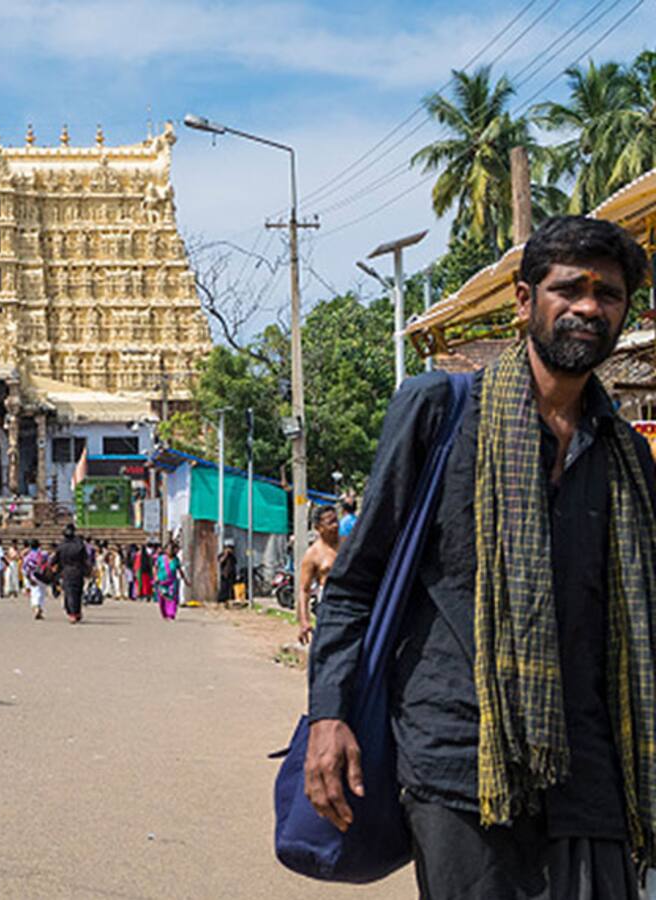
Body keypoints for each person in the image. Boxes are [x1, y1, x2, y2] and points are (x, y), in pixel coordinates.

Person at [306, 217, 656, 898]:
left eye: (608, 294)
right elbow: (356, 584)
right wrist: (329, 715)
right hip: (461, 762)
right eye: (569, 289)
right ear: (525, 301)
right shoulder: (439, 412)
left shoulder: (627, 457)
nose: (588, 307)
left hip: (593, 770)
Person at [296, 506, 339, 646]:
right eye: (330, 522)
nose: (336, 525)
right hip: (329, 607)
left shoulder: (348, 544)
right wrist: (304, 621)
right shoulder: (313, 554)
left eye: (336, 520)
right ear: (318, 528)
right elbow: (304, 590)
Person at [54, 524, 89, 624]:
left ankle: (72, 613)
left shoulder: (61, 546)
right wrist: (88, 570)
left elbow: (55, 559)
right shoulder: (80, 545)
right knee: (78, 593)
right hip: (78, 571)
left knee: (70, 593)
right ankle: (77, 612)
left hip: (66, 571)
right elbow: (85, 559)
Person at [154, 541, 184, 621]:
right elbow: (156, 567)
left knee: (172, 598)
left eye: (171, 549)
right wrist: (156, 576)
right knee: (162, 599)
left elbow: (180, 570)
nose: (170, 551)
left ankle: (171, 614)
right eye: (168, 549)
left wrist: (185, 579)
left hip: (172, 582)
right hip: (162, 581)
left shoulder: (176, 560)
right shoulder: (160, 558)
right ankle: (165, 614)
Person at [22, 539, 49, 620]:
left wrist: (28, 577)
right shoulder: (43, 554)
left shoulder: (28, 556)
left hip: (33, 576)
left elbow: (25, 568)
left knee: (34, 592)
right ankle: (39, 607)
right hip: (42, 575)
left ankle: (36, 607)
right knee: (42, 592)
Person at [216, 540, 237, 606]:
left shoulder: (232, 556)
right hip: (224, 574)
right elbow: (220, 561)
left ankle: (230, 600)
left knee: (231, 588)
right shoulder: (222, 555)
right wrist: (225, 554)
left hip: (231, 574)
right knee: (223, 588)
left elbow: (235, 563)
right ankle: (221, 600)